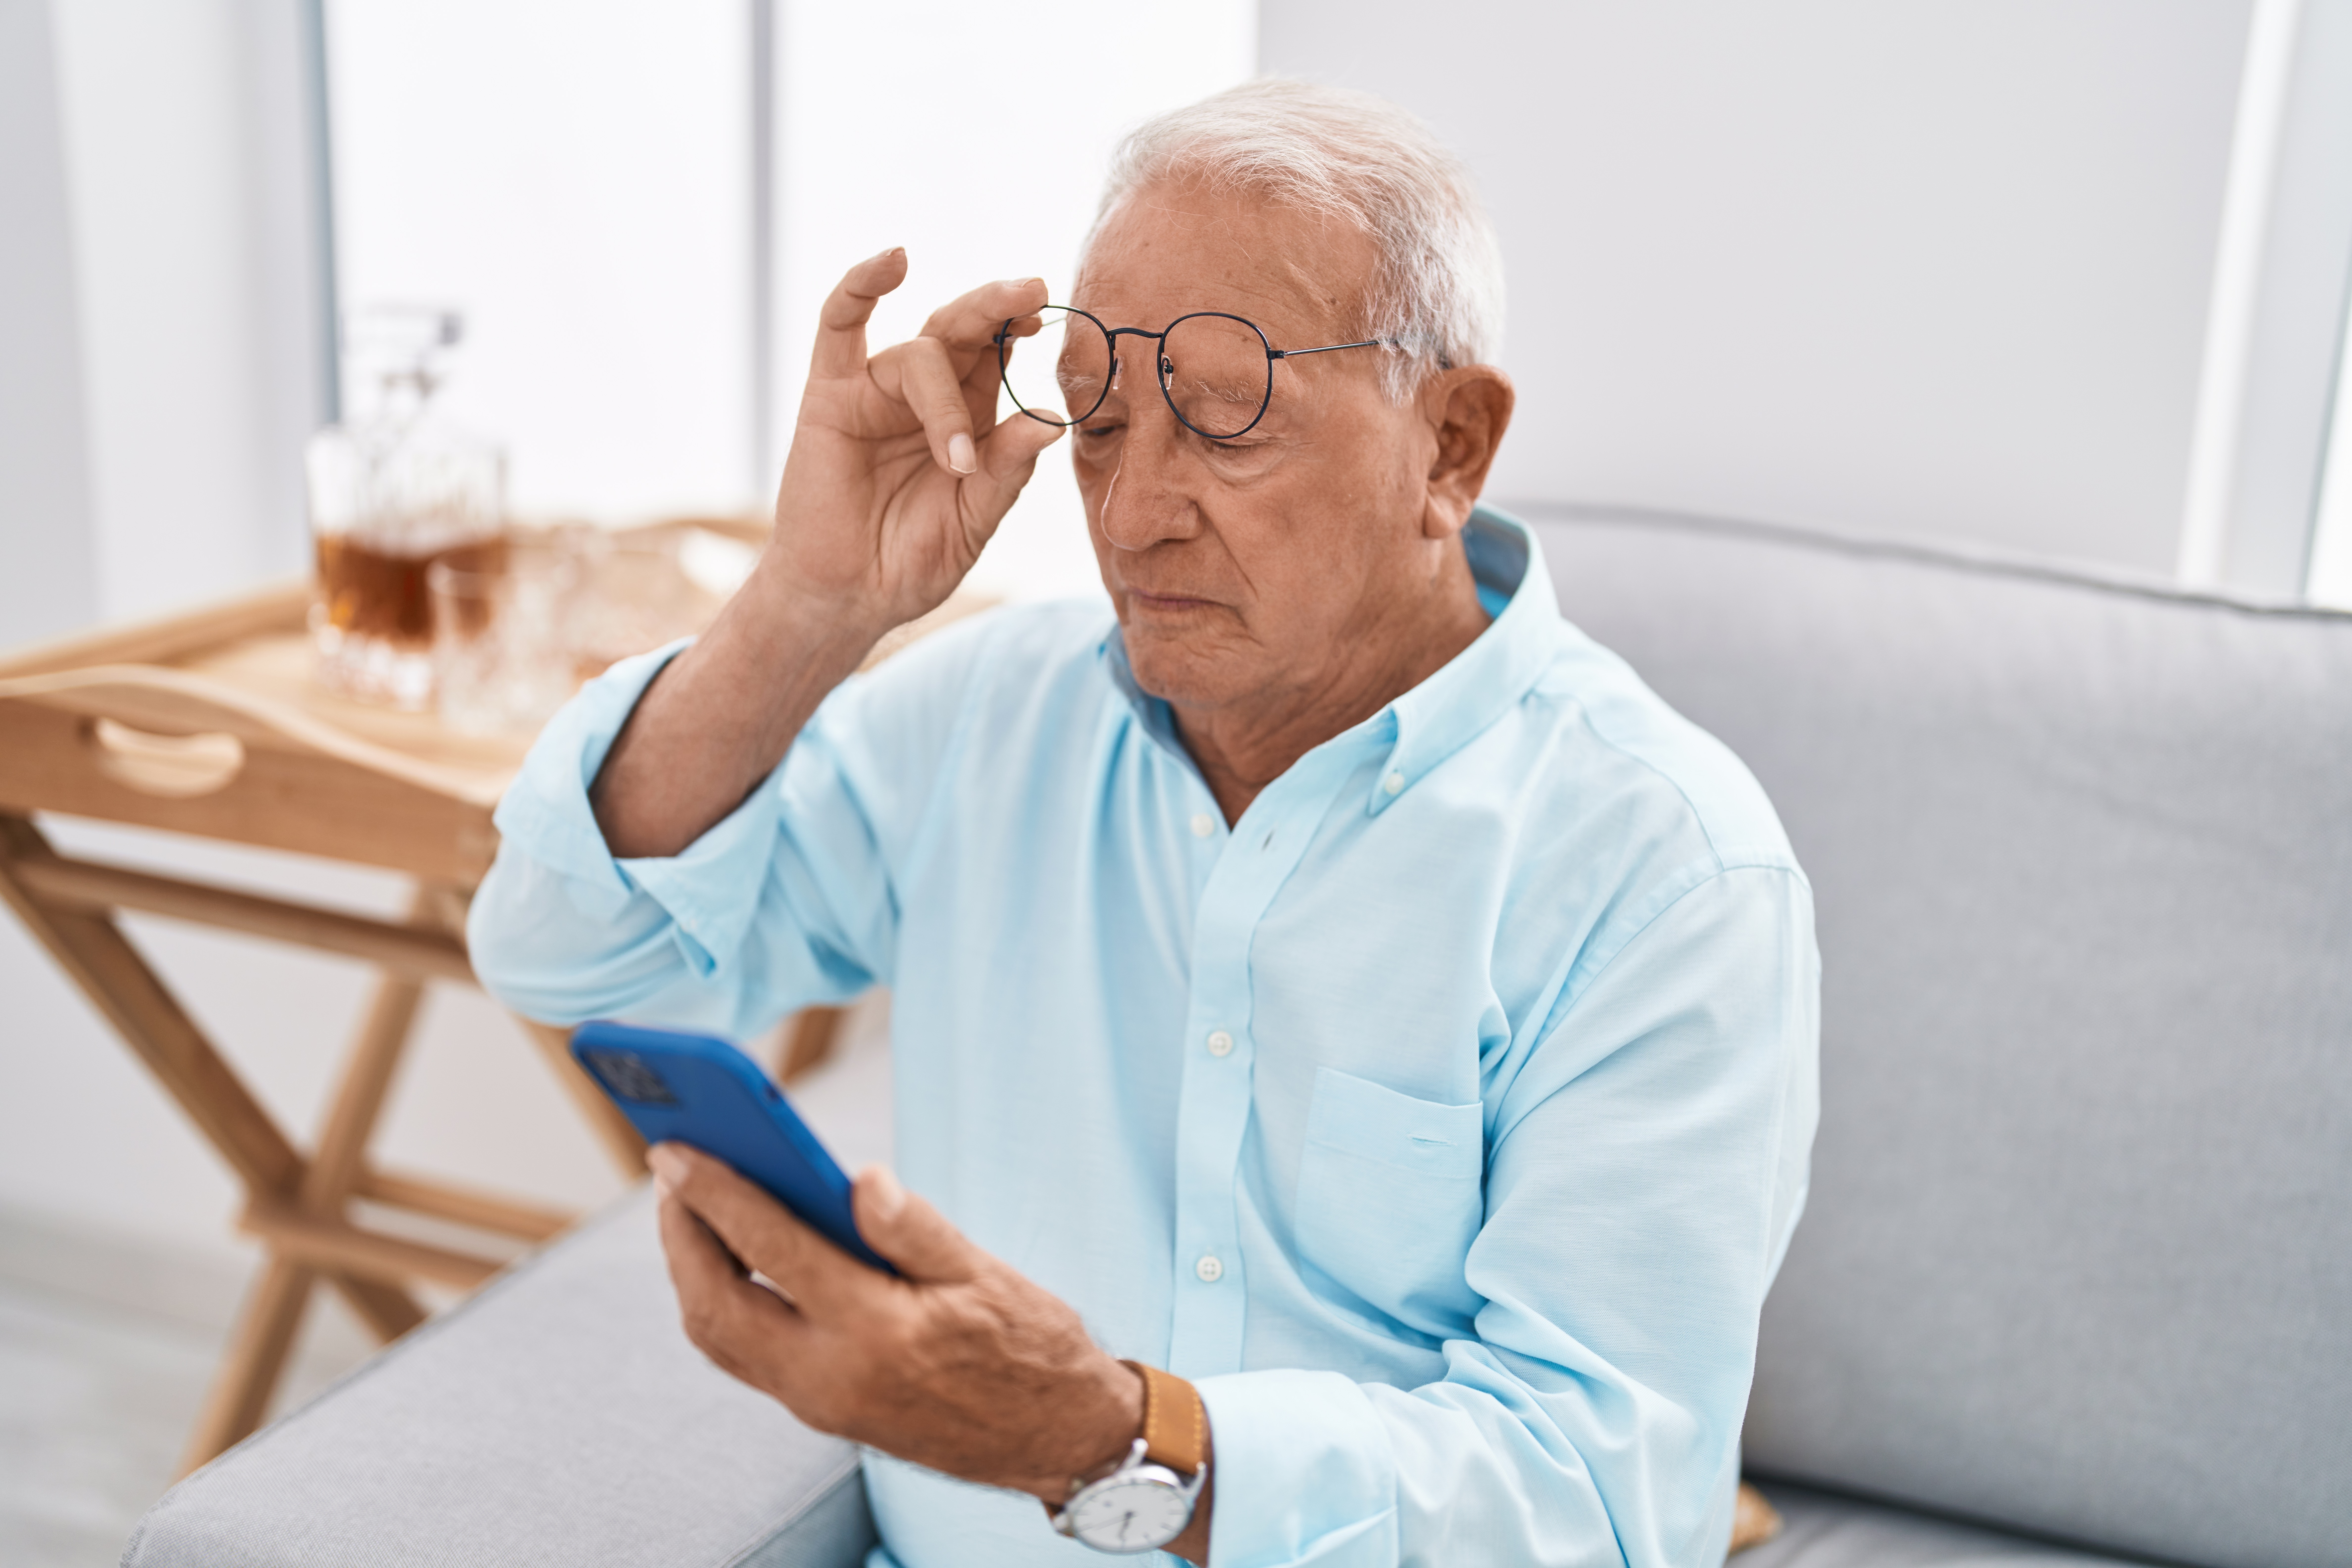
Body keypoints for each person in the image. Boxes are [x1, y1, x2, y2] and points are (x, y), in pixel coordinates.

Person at [470, 79, 1818, 1568]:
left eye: (1228, 412)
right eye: (1101, 413)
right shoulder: (992, 712)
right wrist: (809, 603)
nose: (1129, 514)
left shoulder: (1667, 869)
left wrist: (1104, 1437)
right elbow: (565, 956)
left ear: (1450, 446)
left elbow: (1600, 1506)